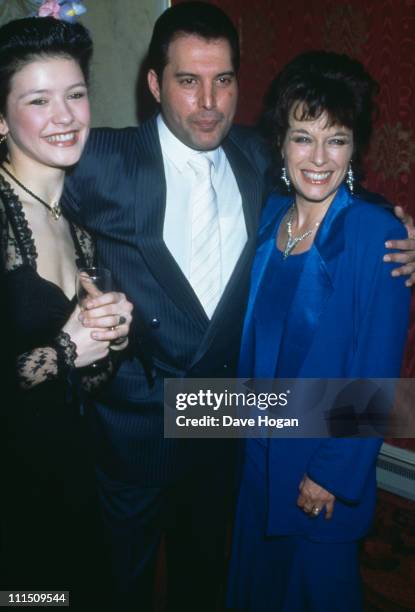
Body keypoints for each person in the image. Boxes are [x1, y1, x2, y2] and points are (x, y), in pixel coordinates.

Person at [62, 3, 415, 611]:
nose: (208, 102)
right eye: (188, 80)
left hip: (232, 432)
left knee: (215, 581)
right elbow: (24, 187)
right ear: (154, 83)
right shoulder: (104, 161)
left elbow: (325, 171)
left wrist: (399, 229)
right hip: (143, 435)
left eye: (223, 80)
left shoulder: (259, 164)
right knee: (119, 588)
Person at [226, 51, 411, 612]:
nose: (319, 158)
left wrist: (331, 473)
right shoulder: (265, 217)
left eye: (337, 139)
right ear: (280, 142)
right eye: (303, 137)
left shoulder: (377, 235)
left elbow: (376, 374)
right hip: (252, 454)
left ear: (355, 149)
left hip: (317, 467)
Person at [0, 16, 133, 605]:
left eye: (75, 94)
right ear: (1, 119)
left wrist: (110, 339)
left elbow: (89, 381)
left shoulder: (79, 229)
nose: (66, 115)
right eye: (39, 99)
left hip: (68, 473)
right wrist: (63, 348)